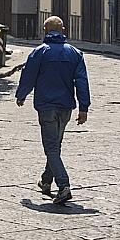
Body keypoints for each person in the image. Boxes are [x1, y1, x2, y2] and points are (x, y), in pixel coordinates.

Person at [16, 15, 90, 205]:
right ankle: (46, 181)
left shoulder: (39, 52)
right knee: (55, 145)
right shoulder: (75, 53)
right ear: (63, 30)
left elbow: (28, 75)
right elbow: (81, 82)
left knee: (51, 147)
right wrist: (84, 108)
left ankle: (64, 185)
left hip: (46, 105)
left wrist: (21, 94)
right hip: (66, 107)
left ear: (45, 31)